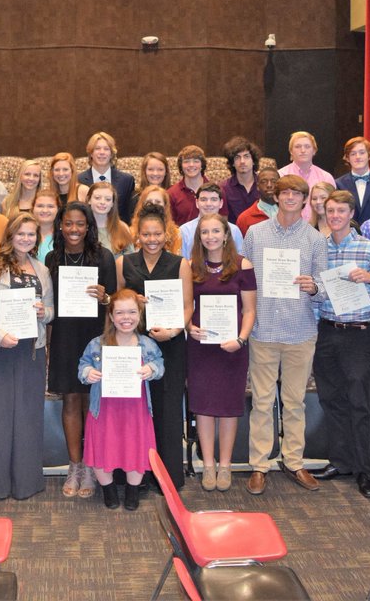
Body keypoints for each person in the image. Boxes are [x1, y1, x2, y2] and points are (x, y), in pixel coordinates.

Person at [241, 175, 327, 495]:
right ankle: (259, 465)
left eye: (297, 193)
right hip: (263, 329)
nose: (290, 197)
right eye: (285, 192)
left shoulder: (315, 239)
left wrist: (314, 287)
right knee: (262, 402)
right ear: (276, 197)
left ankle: (293, 461)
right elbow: (245, 280)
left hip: (300, 330)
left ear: (305, 200)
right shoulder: (255, 233)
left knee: (294, 402)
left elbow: (323, 286)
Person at [311, 189, 370, 499]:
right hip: (327, 330)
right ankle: (340, 461)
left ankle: (362, 468)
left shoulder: (368, 248)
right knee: (331, 399)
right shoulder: (319, 248)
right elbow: (317, 292)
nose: (335, 216)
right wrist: (311, 289)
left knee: (358, 401)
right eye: (330, 210)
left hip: (357, 334)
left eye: (341, 211)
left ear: (351, 214)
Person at [0, 213, 55, 500]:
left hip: (31, 350)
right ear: (10, 234)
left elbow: (51, 311)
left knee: (28, 416)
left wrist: (44, 312)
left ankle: (26, 484)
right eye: (21, 233)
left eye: (31, 234)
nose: (26, 239)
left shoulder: (41, 269)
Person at [117, 202, 192, 491]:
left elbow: (188, 306)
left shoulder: (180, 264)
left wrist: (173, 331)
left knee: (167, 411)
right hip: (132, 346)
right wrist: (132, 300)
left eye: (157, 234)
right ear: (138, 235)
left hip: (170, 345)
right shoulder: (124, 263)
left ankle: (167, 478)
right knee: (133, 411)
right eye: (146, 234)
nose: (152, 239)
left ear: (167, 235)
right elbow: (117, 303)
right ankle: (134, 476)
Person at [47, 201, 117, 499]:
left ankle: (90, 465)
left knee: (92, 402)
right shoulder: (52, 258)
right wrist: (48, 344)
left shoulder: (103, 257)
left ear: (88, 227)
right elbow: (49, 303)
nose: (73, 229)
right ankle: (74, 466)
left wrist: (105, 297)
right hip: (64, 337)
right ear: (60, 226)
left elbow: (115, 302)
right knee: (71, 401)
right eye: (68, 223)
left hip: (94, 338)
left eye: (80, 224)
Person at [78, 289, 165, 511]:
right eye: (120, 313)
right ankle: (108, 490)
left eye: (132, 312)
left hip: (136, 410)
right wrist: (88, 372)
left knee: (135, 448)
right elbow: (83, 366)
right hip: (104, 410)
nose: (126, 318)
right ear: (111, 316)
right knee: (102, 448)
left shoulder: (147, 344)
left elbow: (160, 365)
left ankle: (132, 491)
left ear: (140, 314)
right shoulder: (97, 344)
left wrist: (152, 368)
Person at [187, 213, 254, 492]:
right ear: (199, 237)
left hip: (232, 348)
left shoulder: (242, 265)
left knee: (228, 406)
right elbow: (186, 305)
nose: (210, 237)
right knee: (203, 406)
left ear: (226, 235)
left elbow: (249, 310)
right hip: (201, 348)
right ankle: (208, 464)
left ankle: (225, 465)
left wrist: (241, 339)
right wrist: (189, 326)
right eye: (205, 232)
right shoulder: (191, 267)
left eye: (216, 231)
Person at [77, 132, 136, 224]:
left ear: (112, 154)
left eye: (106, 149)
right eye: (97, 148)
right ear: (91, 153)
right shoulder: (78, 180)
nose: (102, 152)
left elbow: (128, 215)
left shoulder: (126, 180)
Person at [178, 184, 243, 259]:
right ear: (197, 203)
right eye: (203, 199)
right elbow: (182, 261)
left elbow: (239, 259)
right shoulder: (184, 231)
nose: (208, 204)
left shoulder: (233, 230)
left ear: (221, 203)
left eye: (213, 199)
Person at [278, 132, 335, 210]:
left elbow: (333, 206)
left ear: (314, 150)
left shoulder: (326, 177)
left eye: (307, 146)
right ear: (291, 151)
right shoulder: (281, 175)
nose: (303, 150)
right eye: (298, 146)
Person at [335, 136, 370, 225]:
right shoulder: (338, 184)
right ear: (347, 158)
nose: (358, 157)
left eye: (362, 153)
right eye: (353, 154)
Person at [130, 185, 182, 255]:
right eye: (149, 202)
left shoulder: (175, 233)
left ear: (165, 205)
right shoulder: (131, 233)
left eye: (158, 202)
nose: (153, 205)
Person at [221, 137, 261, 226]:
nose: (242, 161)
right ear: (232, 163)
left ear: (253, 161)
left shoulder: (264, 185)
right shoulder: (224, 188)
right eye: (237, 157)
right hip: (235, 233)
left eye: (246, 156)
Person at [88, 181, 133, 257]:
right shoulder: (81, 228)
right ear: (89, 200)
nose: (102, 202)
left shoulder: (123, 228)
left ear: (112, 203)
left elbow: (131, 260)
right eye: (97, 198)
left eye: (108, 199)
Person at [168, 145, 208, 225]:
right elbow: (170, 225)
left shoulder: (216, 190)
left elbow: (223, 222)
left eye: (196, 161)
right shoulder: (171, 194)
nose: (191, 165)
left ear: (202, 165)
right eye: (186, 161)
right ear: (181, 166)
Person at [236, 167, 280, 236]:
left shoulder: (290, 213)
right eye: (264, 182)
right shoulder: (244, 219)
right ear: (257, 186)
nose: (269, 185)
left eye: (274, 181)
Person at [33, 187, 60, 264]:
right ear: (33, 208)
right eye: (40, 206)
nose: (45, 210)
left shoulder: (64, 237)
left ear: (58, 209)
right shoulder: (24, 234)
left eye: (50, 206)